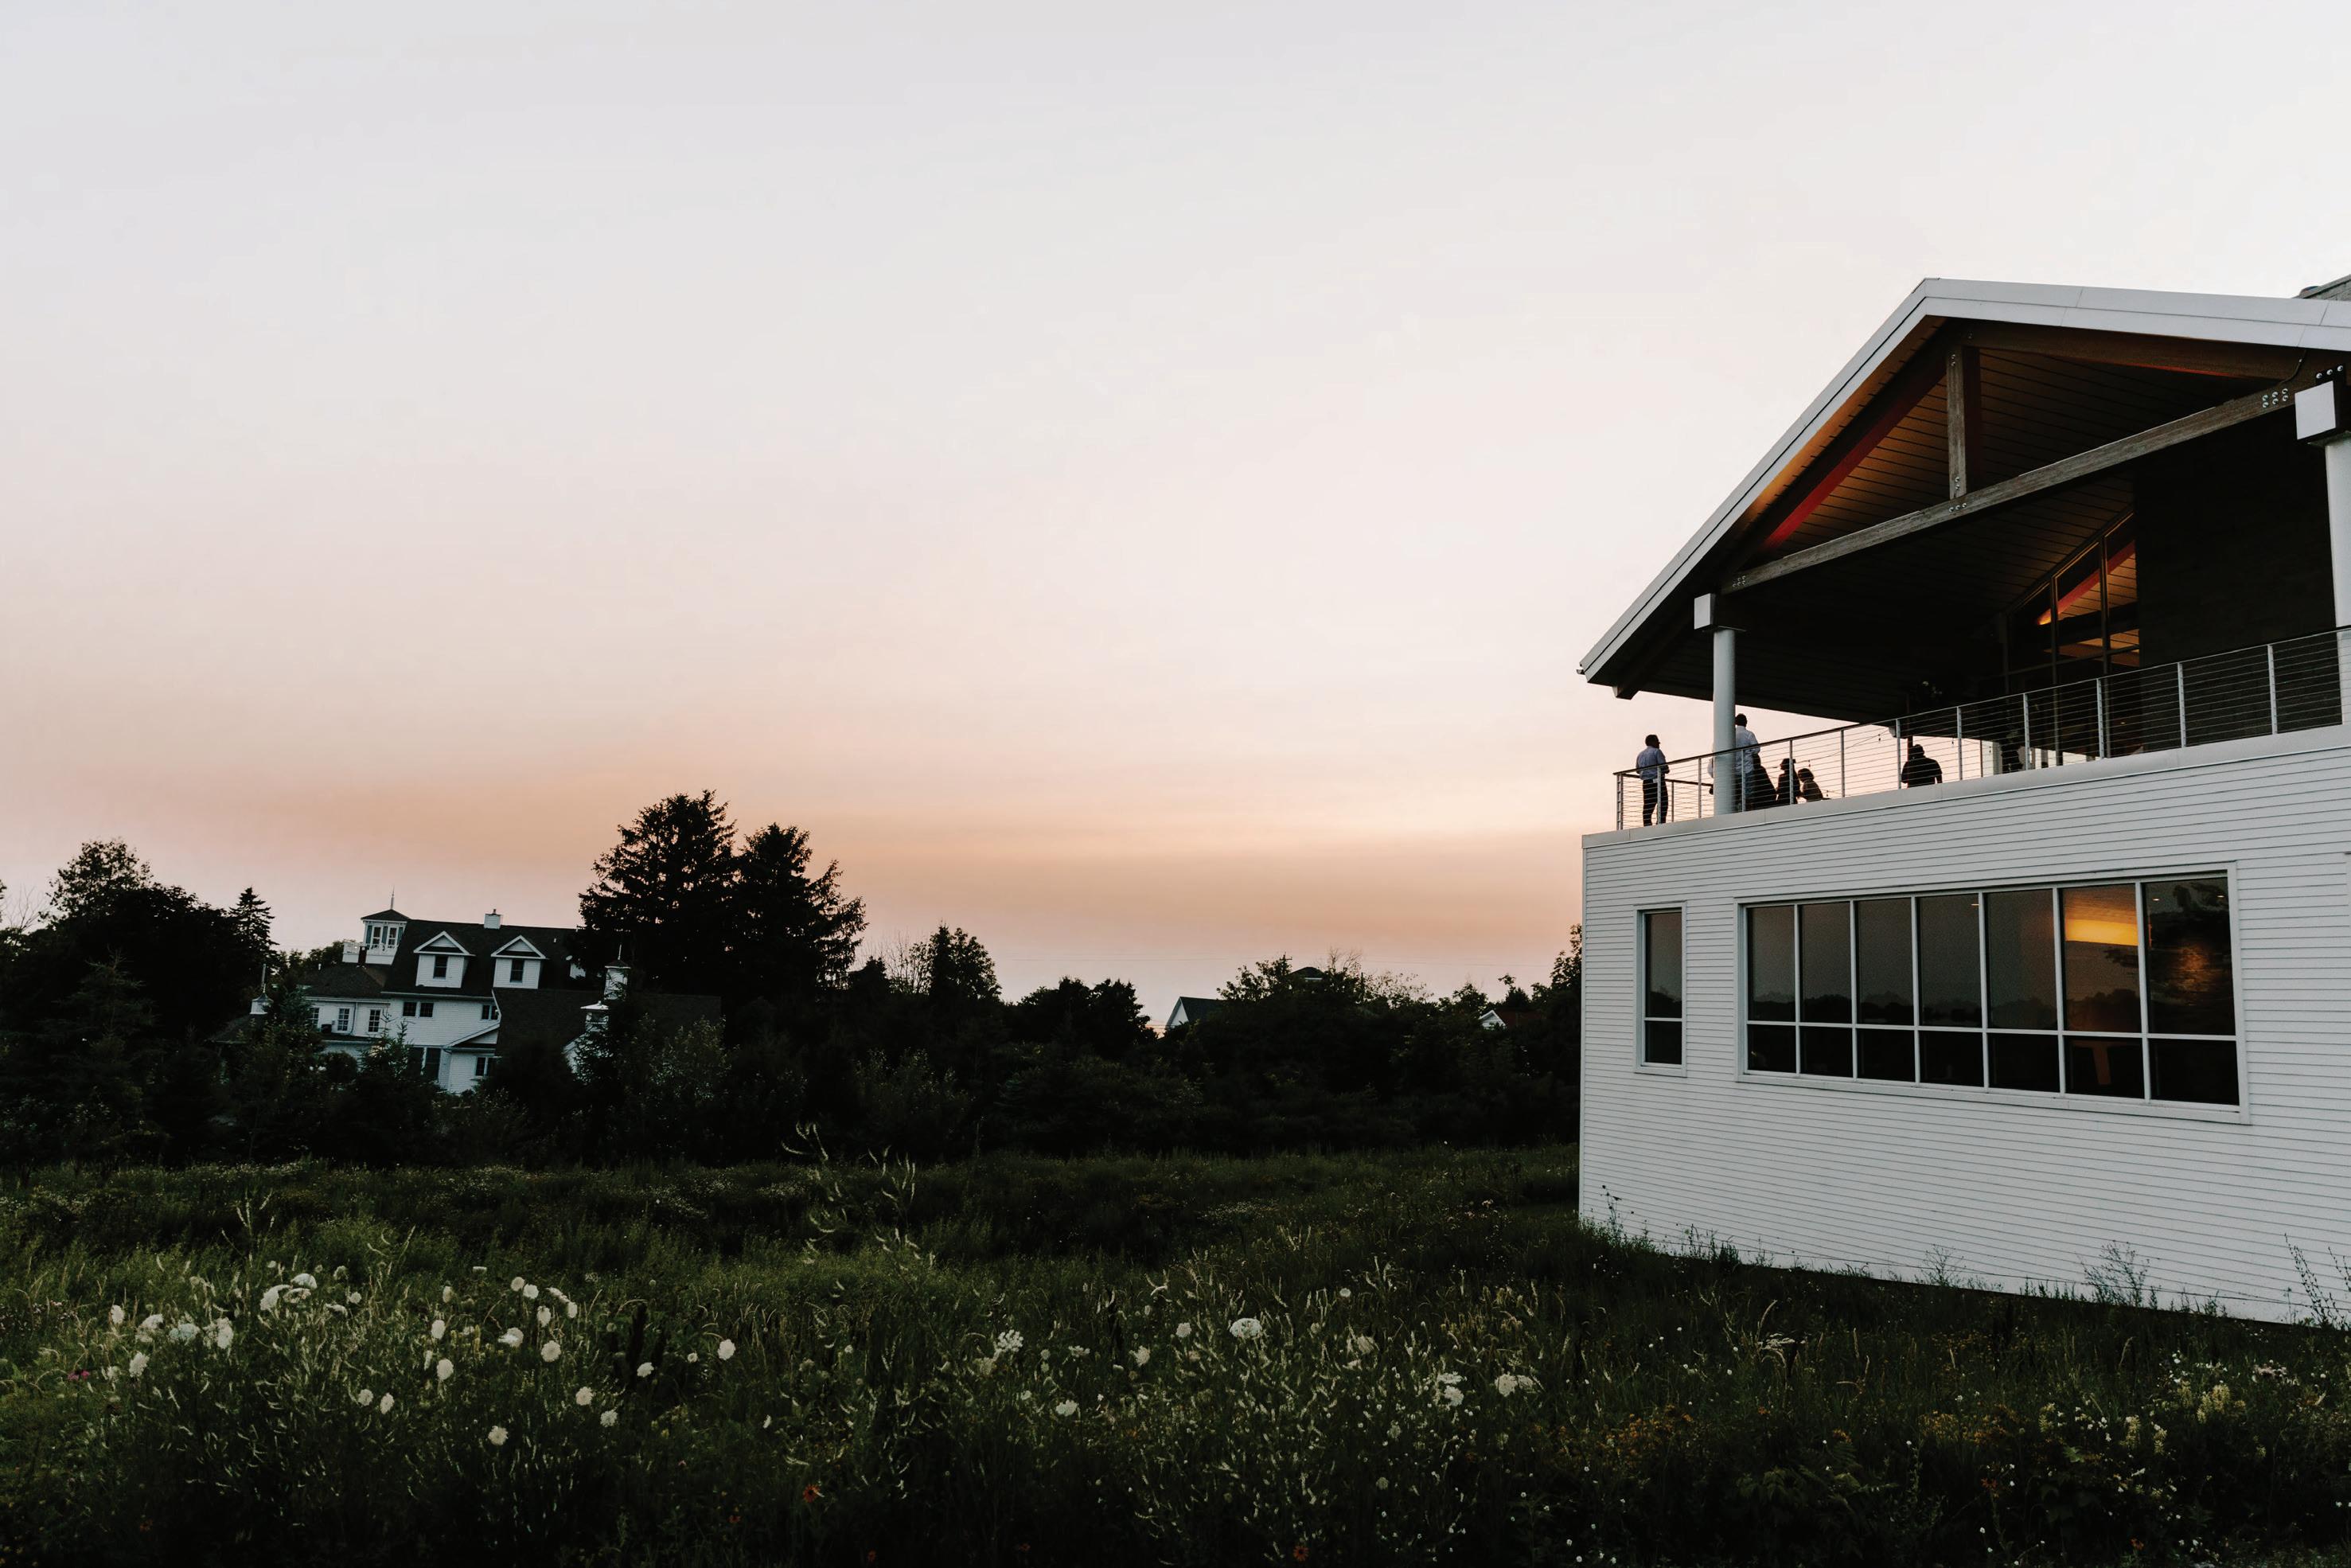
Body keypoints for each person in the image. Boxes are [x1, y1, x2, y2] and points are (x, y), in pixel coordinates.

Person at [1635, 734, 1671, 825]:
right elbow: (1665, 768)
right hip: (1657, 781)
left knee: (1648, 805)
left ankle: (1647, 824)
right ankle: (1660, 823)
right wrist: (1666, 770)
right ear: (1652, 742)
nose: (1659, 744)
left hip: (1646, 783)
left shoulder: (1640, 755)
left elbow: (1638, 771)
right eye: (1657, 741)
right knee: (1663, 803)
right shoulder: (1657, 752)